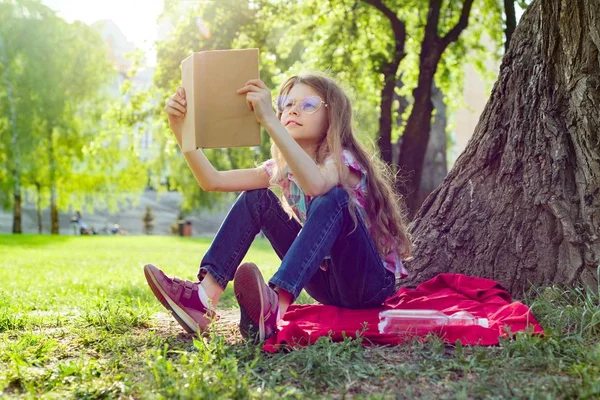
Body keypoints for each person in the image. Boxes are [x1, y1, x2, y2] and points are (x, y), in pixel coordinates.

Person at [144, 72, 413, 343]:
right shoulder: (281, 170)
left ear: (332, 117)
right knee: (256, 198)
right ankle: (204, 298)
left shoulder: (342, 160)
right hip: (325, 285)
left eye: (307, 105)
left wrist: (269, 121)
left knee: (335, 199)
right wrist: (180, 129)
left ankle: (276, 306)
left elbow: (318, 185)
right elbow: (212, 180)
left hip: (368, 286)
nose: (292, 110)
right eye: (286, 104)